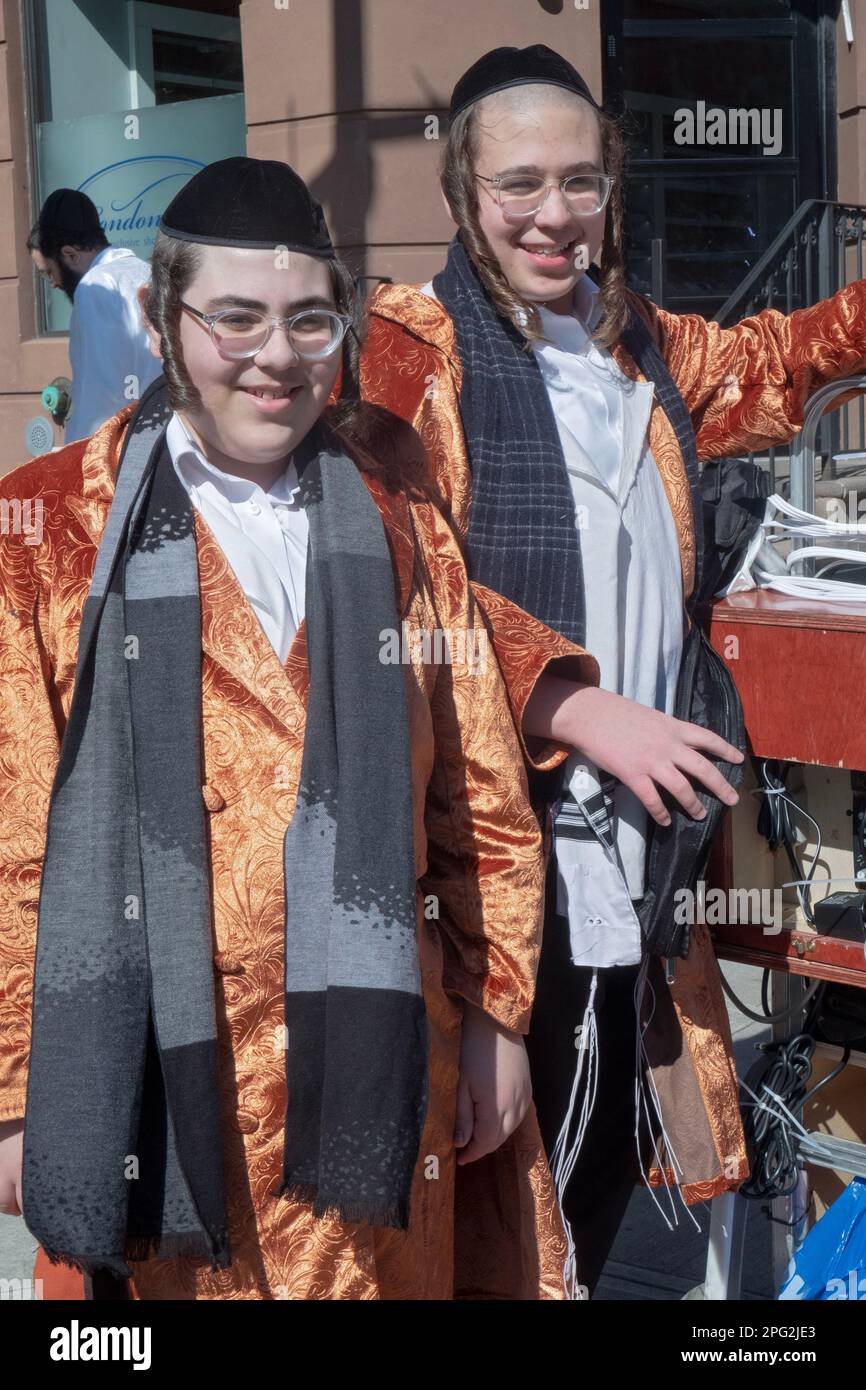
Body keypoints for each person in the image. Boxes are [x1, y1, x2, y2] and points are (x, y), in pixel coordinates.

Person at [0, 156, 596, 1301]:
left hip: (386, 1081)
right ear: (162, 320)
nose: (276, 358)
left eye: (307, 321)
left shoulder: (394, 506)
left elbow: (476, 789)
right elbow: (14, 837)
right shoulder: (50, 536)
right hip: (169, 1087)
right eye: (235, 319)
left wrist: (495, 1014)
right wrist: (23, 1090)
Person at [358, 44, 866, 1295]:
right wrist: (576, 705)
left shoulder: (636, 346)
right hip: (478, 867)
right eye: (518, 182)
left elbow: (782, 361)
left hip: (635, 862)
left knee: (581, 1190)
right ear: (461, 191)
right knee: (479, 1200)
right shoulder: (405, 352)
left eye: (580, 181)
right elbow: (386, 580)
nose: (553, 214)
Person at [27, 188, 161, 442]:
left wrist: (74, 471)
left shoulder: (94, 287)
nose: (53, 284)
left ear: (70, 254)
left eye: (48, 272)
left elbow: (97, 405)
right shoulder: (147, 273)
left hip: (123, 455)